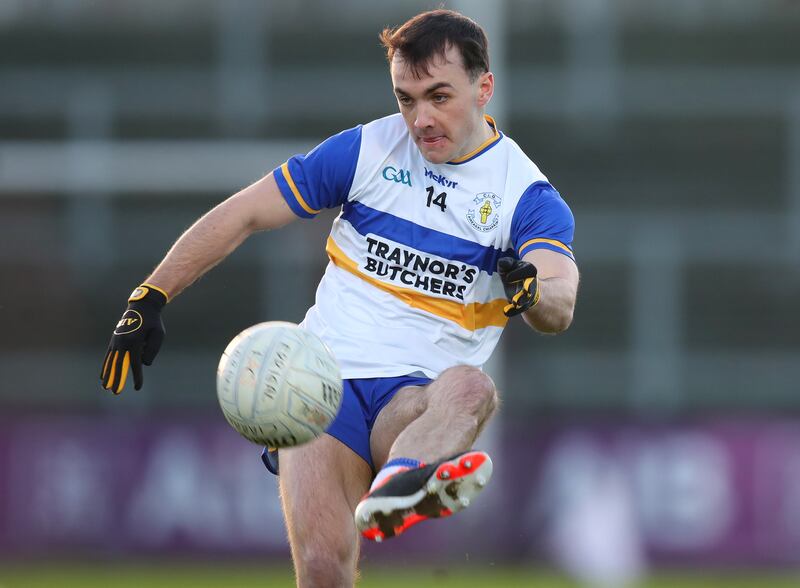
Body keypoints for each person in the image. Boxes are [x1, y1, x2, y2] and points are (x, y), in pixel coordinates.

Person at [100, 9, 579, 587]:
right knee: (324, 573)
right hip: (319, 387)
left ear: (484, 88)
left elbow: (560, 301)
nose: (421, 118)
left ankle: (400, 482)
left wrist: (532, 293)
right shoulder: (366, 150)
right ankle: (405, 488)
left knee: (473, 388)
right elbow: (247, 211)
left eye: (439, 95)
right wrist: (150, 294)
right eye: (406, 98)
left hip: (413, 400)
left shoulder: (524, 194)